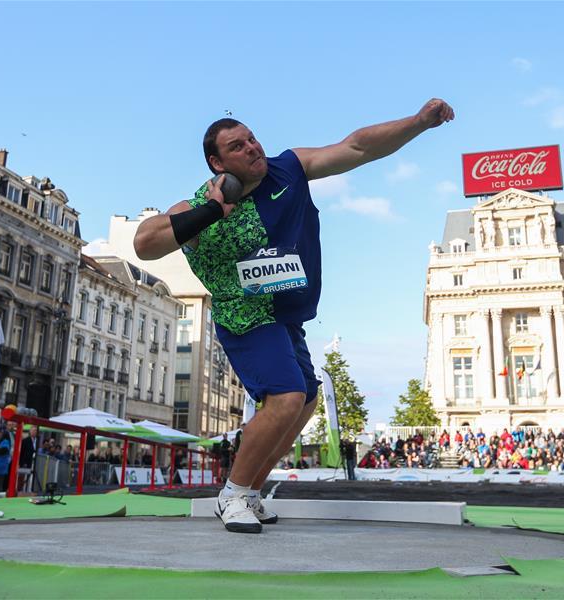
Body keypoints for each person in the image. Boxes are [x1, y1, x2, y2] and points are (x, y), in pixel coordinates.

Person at [134, 98, 454, 533]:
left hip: (286, 316)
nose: (252, 147)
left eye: (252, 138)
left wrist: (418, 123)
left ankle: (248, 491)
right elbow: (144, 243)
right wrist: (212, 212)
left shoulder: (290, 167)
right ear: (217, 162)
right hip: (245, 315)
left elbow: (357, 147)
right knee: (284, 397)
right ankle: (231, 495)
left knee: (305, 398)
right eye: (237, 145)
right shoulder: (200, 205)